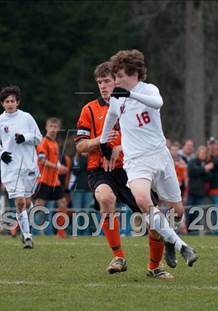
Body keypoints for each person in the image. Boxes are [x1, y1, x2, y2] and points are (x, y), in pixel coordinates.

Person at [99, 50, 198, 268]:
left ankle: (169, 240)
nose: (115, 81)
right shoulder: (117, 98)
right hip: (135, 161)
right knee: (144, 202)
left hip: (160, 156)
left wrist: (130, 95)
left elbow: (157, 103)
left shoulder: (148, 90)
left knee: (177, 212)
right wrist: (104, 144)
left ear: (134, 73)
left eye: (119, 75)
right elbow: (110, 120)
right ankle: (182, 246)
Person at [76, 61, 174, 278]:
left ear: (118, 80)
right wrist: (100, 142)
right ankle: (118, 256)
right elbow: (80, 146)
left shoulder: (132, 104)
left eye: (107, 80)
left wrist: (121, 147)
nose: (103, 86)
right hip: (100, 171)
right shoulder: (89, 110)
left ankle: (154, 267)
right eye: (99, 82)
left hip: (132, 168)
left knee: (153, 219)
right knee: (105, 197)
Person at [0, 85, 42, 249]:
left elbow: (38, 138)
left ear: (18, 102)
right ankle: (27, 236)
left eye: (13, 101)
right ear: (2, 103)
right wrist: (1, 154)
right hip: (10, 168)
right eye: (7, 101)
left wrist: (25, 137)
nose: (10, 103)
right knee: (20, 202)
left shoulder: (26, 118)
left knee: (26, 201)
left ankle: (26, 219)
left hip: (28, 166)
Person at [33, 118, 69, 238]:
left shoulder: (55, 143)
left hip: (54, 181)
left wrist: (60, 166)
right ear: (46, 127)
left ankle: (61, 233)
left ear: (58, 129)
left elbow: (53, 161)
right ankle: (20, 227)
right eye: (51, 126)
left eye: (55, 126)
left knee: (63, 203)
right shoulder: (43, 142)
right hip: (43, 179)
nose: (53, 129)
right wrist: (58, 168)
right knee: (39, 207)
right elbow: (42, 161)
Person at [186, 146, 213, 234]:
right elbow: (192, 171)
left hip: (201, 193)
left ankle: (195, 231)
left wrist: (204, 170)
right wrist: (204, 169)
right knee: (189, 212)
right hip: (192, 192)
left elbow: (209, 177)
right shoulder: (193, 161)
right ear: (198, 153)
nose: (203, 155)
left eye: (204, 153)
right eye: (201, 153)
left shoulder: (205, 163)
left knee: (198, 213)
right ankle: (187, 231)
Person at [69, 153, 94, 235]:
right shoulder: (76, 158)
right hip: (77, 189)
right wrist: (82, 159)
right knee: (77, 212)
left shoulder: (91, 158)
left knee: (86, 213)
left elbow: (91, 169)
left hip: (88, 189)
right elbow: (75, 170)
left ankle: (85, 233)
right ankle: (76, 232)